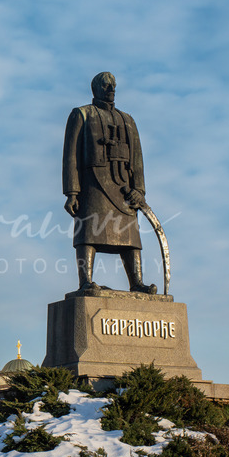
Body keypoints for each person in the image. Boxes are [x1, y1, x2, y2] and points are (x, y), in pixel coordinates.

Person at [62, 72, 156, 294]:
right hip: (92, 184)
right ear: (95, 88)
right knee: (88, 233)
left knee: (130, 236)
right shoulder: (82, 114)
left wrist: (139, 191)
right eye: (105, 85)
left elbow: (137, 159)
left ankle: (136, 282)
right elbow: (70, 156)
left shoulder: (128, 120)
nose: (110, 89)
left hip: (123, 187)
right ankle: (85, 281)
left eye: (113, 85)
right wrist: (72, 192)